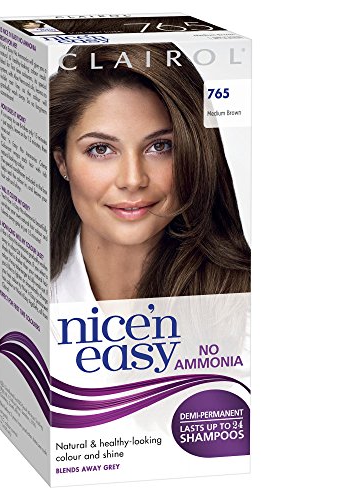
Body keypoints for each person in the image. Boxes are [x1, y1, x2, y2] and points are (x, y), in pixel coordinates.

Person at [49, 43, 250, 303]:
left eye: (160, 146)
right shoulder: (25, 293)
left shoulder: (246, 305)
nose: (133, 180)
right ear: (62, 162)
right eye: (101, 149)